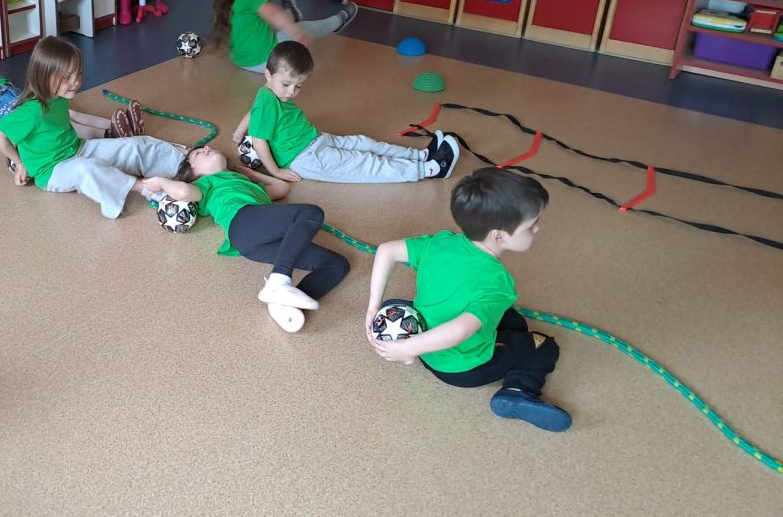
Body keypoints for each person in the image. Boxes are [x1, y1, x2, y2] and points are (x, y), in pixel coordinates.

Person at [363, 167, 571, 432]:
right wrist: (408, 349)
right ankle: (518, 390)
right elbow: (460, 330)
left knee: (512, 320)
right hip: (462, 368)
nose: (537, 229)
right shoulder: (498, 283)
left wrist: (374, 306)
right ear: (498, 235)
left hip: (425, 338)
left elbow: (386, 250)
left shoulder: (441, 242)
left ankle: (413, 343)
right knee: (545, 346)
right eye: (531, 226)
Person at [144, 146, 349, 333]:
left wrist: (253, 175)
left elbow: (282, 188)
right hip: (243, 223)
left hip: (255, 242)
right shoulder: (205, 183)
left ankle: (286, 305)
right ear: (193, 171)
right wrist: (160, 182)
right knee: (311, 213)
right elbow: (182, 191)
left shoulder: (245, 183)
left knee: (337, 264)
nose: (207, 148)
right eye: (199, 153)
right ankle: (279, 280)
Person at [0, 36, 184, 219]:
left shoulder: (60, 96)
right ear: (44, 76)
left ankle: (182, 165)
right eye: (67, 77)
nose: (76, 81)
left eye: (79, 73)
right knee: (86, 169)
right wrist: (20, 163)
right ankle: (144, 188)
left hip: (79, 148)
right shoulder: (31, 111)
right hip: (51, 172)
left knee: (134, 145)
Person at [230, 41, 460, 183]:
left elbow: (252, 112)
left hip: (315, 139)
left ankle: (420, 155)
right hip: (305, 159)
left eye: (298, 86)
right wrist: (276, 172)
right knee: (365, 163)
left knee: (365, 143)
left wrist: (237, 134)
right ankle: (430, 169)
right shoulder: (267, 103)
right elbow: (259, 141)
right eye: (286, 84)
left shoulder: (266, 92)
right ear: (268, 74)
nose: (291, 92)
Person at [0, 11, 144, 146]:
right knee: (49, 123)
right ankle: (108, 134)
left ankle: (117, 125)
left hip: (14, 93)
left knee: (62, 112)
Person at [208, 0, 357, 73]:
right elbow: (272, 14)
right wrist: (297, 33)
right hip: (270, 60)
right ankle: (338, 21)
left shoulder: (219, 6)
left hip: (243, 63)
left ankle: (291, 13)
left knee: (266, 23)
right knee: (303, 27)